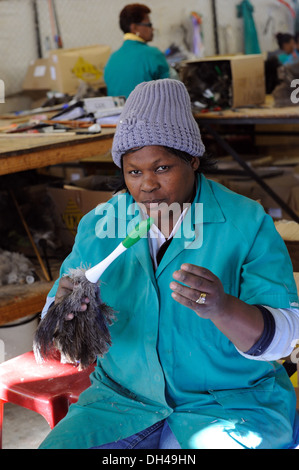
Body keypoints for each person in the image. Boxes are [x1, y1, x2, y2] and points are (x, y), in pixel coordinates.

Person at [39, 79, 299, 449]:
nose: (147, 185)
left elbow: (285, 338)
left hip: (230, 404)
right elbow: (53, 325)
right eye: (134, 172)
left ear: (192, 160)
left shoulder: (245, 222)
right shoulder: (100, 225)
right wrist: (65, 310)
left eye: (161, 168)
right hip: (122, 402)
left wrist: (224, 308)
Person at [104, 3, 169, 98]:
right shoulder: (153, 54)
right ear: (134, 28)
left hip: (120, 113)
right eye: (149, 24)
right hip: (148, 113)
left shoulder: (112, 58)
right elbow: (171, 92)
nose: (152, 29)